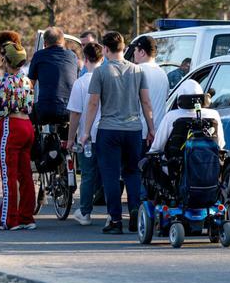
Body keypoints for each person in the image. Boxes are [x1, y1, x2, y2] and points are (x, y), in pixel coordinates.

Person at [80, 31, 155, 235]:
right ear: (123, 48)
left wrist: (86, 132)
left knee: (111, 175)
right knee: (133, 173)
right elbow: (146, 102)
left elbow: (93, 103)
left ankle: (115, 219)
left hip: (109, 129)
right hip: (133, 130)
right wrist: (151, 128)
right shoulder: (137, 70)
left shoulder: (100, 72)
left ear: (105, 49)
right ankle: (134, 211)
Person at [0, 42, 36, 231]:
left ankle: (10, 219)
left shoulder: (6, 82)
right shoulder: (27, 81)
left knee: (8, 174)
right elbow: (30, 105)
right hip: (27, 125)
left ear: (7, 61)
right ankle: (27, 216)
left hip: (12, 125)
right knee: (25, 174)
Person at [66, 42, 104, 226]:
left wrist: (70, 138)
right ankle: (113, 214)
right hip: (107, 132)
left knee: (88, 175)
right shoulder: (108, 79)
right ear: (102, 58)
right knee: (109, 173)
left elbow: (75, 113)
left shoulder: (80, 83)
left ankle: (85, 211)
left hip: (86, 136)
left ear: (85, 59)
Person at [148, 80, 225, 153]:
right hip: (207, 161)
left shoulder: (170, 116)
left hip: (175, 161)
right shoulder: (213, 115)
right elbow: (220, 144)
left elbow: (157, 147)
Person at [28, 27, 78, 125]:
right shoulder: (72, 56)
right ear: (63, 42)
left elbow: (30, 85)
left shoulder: (39, 55)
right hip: (69, 110)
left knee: (26, 116)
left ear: (44, 43)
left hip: (45, 111)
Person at [131, 36, 171, 136]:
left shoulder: (135, 71)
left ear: (142, 52)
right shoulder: (163, 74)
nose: (134, 53)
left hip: (140, 132)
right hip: (158, 133)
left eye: (135, 50)